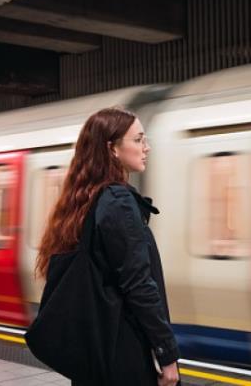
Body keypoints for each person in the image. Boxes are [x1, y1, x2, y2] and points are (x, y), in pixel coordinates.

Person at [35, 107, 180, 386]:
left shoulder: (86, 200)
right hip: (123, 352)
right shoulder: (117, 201)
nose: (146, 147)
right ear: (112, 148)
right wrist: (167, 354)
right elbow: (138, 283)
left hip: (98, 350)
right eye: (138, 140)